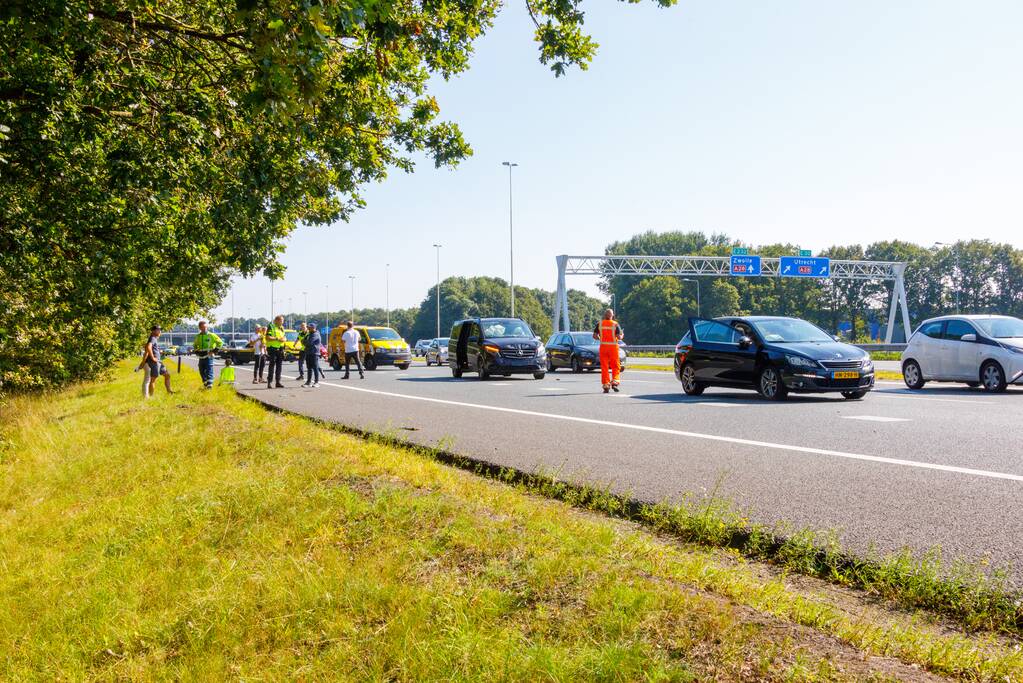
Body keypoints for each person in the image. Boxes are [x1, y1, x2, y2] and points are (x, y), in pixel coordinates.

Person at [137, 325, 174, 398]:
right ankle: (151, 395)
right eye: (158, 330)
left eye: (160, 330)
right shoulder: (153, 338)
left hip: (159, 361)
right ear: (153, 331)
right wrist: (153, 357)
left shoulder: (153, 339)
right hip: (154, 362)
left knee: (167, 375)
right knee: (153, 379)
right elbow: (148, 347)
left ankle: (169, 391)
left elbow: (147, 350)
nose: (160, 331)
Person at [592, 309, 624, 394]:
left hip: (603, 347)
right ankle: (615, 382)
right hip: (613, 348)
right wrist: (622, 335)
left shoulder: (600, 324)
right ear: (612, 315)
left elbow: (595, 336)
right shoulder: (615, 324)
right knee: (615, 365)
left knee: (604, 367)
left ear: (604, 315)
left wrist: (601, 339)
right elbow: (619, 337)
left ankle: (606, 385)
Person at [193, 320, 224, 389]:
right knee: (201, 370)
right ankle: (205, 383)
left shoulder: (211, 335)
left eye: (205, 327)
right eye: (202, 327)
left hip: (209, 356)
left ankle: (210, 385)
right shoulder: (198, 336)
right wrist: (196, 351)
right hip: (201, 356)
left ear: (207, 327)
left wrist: (214, 351)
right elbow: (194, 345)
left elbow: (221, 343)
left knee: (209, 369)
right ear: (199, 328)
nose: (204, 329)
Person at [265, 315, 287, 388]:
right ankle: (269, 382)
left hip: (280, 349)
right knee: (272, 365)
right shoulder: (271, 326)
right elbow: (267, 337)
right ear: (277, 320)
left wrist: (284, 340)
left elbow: (284, 337)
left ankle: (278, 382)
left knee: (279, 366)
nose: (282, 322)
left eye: (283, 321)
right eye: (281, 320)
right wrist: (277, 339)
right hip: (272, 349)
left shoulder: (282, 328)